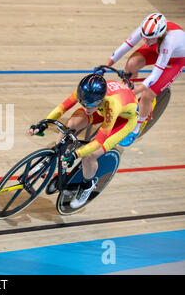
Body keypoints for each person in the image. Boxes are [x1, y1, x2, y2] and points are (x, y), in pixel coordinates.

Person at [29, 74, 137, 208]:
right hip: (100, 109)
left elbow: (98, 142)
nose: (86, 108)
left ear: (100, 100)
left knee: (90, 155)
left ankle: (87, 186)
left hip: (123, 121)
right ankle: (50, 160)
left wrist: (75, 155)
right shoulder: (85, 91)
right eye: (83, 103)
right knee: (70, 125)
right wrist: (44, 123)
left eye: (89, 105)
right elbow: (62, 108)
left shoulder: (113, 105)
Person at [102, 13, 185, 146]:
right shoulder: (147, 33)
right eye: (144, 37)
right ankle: (125, 103)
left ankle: (135, 128)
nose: (145, 40)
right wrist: (106, 66)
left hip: (175, 60)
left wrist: (137, 90)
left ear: (159, 35)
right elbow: (124, 47)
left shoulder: (168, 42)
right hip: (156, 47)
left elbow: (155, 74)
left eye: (149, 38)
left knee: (148, 93)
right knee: (131, 64)